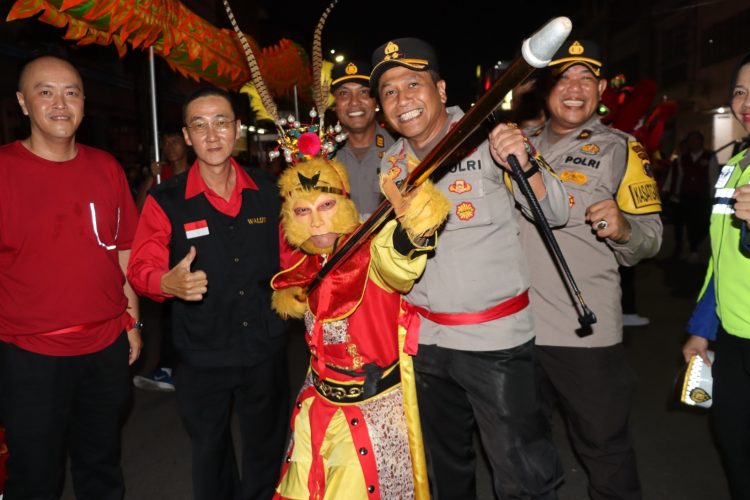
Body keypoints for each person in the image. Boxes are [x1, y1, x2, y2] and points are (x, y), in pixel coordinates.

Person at [371, 38, 569, 499]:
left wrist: (523, 161)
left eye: (413, 84)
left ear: (440, 90)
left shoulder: (490, 135)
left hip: (495, 343)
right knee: (446, 468)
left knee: (521, 470)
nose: (403, 100)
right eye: (390, 92)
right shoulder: (392, 162)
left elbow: (555, 212)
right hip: (426, 345)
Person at [126, 86, 289, 500]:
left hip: (264, 347)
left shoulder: (272, 193)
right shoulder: (166, 201)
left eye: (221, 122)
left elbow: (293, 263)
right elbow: (141, 267)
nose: (212, 134)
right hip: (201, 352)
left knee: (267, 450)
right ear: (186, 135)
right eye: (200, 125)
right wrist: (166, 282)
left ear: (236, 129)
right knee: (210, 452)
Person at [521, 40, 662, 500]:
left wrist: (623, 230)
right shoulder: (515, 146)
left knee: (605, 451)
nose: (575, 88)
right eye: (563, 77)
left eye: (586, 78)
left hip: (585, 335)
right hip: (515, 331)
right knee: (524, 450)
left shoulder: (623, 150)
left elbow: (651, 238)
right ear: (547, 88)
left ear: (601, 88)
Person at [0, 54, 142, 499]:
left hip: (104, 350)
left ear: (84, 103)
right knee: (35, 477)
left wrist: (132, 322)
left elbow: (124, 252)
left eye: (72, 92)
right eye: (46, 92)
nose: (60, 103)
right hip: (29, 357)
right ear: (24, 103)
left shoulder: (107, 167)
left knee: (101, 467)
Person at [270, 151, 450, 499]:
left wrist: (413, 228)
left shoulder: (372, 247)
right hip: (316, 405)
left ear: (345, 204)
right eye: (303, 211)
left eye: (326, 206)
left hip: (374, 412)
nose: (317, 222)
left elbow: (399, 263)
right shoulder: (306, 265)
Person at [683, 52, 750, 500]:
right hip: (735, 340)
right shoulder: (735, 165)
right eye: (741, 91)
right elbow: (721, 257)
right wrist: (702, 330)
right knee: (733, 444)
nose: (746, 101)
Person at [132, 129, 192, 392]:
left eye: (174, 141)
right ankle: (168, 368)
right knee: (170, 315)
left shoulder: (197, 173)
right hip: (166, 257)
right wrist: (149, 178)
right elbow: (138, 209)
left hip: (191, 252)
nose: (169, 147)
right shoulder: (160, 178)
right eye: (165, 142)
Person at [330, 60, 395, 219]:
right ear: (334, 104)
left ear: (376, 101)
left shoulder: (400, 151)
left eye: (364, 92)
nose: (354, 102)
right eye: (344, 93)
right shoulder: (322, 156)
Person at [662, 130, 719, 263]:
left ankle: (694, 246)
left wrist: (713, 196)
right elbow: (676, 176)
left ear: (701, 142)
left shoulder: (709, 157)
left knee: (701, 223)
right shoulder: (682, 158)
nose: (694, 142)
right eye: (691, 140)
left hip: (702, 197)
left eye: (696, 139)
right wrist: (670, 192)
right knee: (680, 224)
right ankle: (683, 249)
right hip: (685, 196)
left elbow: (713, 177)